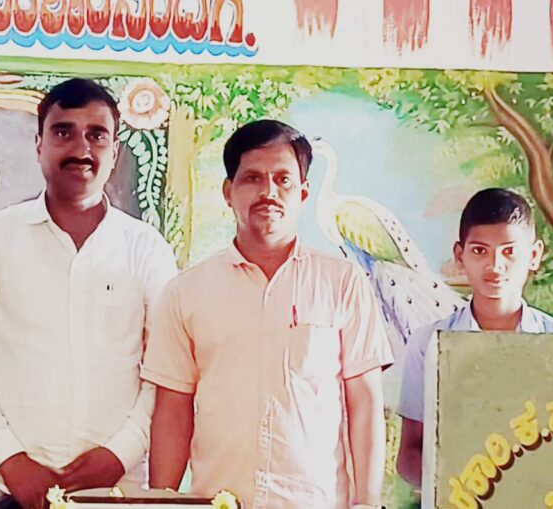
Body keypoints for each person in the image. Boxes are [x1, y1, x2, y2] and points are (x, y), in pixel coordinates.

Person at [0, 78, 178, 509]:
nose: (81, 148)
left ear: (115, 151)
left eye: (96, 135)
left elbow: (165, 369)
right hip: (7, 488)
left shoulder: (147, 250)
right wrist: (11, 459)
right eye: (63, 132)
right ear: (39, 145)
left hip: (115, 489)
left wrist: (120, 453)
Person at [143, 119, 392, 509]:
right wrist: (162, 502)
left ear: (304, 192)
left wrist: (367, 502)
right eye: (253, 178)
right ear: (228, 192)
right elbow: (173, 410)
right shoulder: (186, 292)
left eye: (283, 179)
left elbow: (364, 401)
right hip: (218, 501)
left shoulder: (343, 282)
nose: (269, 192)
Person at [396, 187, 553, 488]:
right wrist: (459, 489)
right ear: (460, 255)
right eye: (480, 251)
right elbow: (409, 454)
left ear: (534, 255)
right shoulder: (430, 344)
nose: (495, 266)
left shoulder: (550, 342)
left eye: (509, 251)